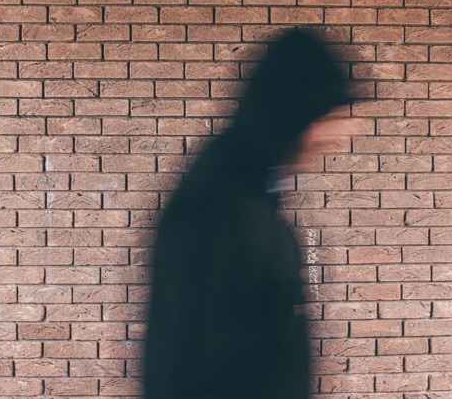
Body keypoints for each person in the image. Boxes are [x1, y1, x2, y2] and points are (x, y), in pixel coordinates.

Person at [143, 28, 353, 399]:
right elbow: (194, 366)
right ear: (290, 114)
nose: (335, 135)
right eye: (322, 118)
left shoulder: (253, 195)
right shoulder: (219, 206)